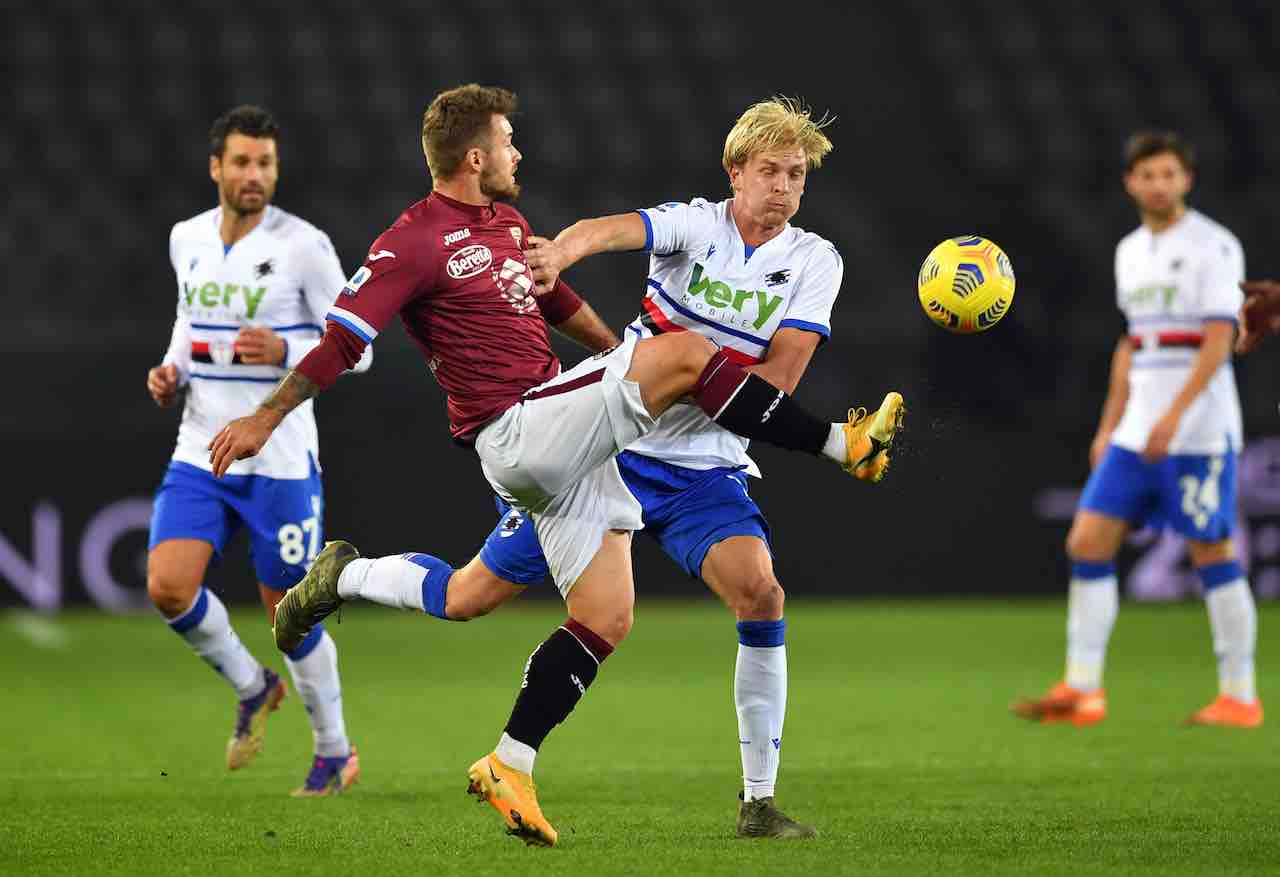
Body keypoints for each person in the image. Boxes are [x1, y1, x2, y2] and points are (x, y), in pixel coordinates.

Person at [207, 84, 904, 846]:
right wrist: (264, 414)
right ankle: (842, 443)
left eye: (797, 174)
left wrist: (615, 355)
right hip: (542, 434)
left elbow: (561, 302)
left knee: (546, 605)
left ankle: (477, 724)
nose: (520, 151)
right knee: (684, 354)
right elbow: (346, 339)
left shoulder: (509, 223)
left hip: (642, 451)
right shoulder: (413, 241)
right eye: (509, 140)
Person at [145, 105, 372, 796]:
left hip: (277, 458)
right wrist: (172, 369)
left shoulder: (304, 245)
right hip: (202, 444)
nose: (254, 175)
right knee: (167, 584)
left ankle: (334, 751)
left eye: (265, 163)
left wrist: (285, 349)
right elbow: (189, 320)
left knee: (288, 614)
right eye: (241, 162)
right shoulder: (186, 237)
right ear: (216, 167)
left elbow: (357, 350)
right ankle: (252, 686)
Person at [1012, 131, 1261, 729]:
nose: (1158, 185)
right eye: (1147, 175)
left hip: (1199, 430)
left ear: (1187, 180)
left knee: (1213, 550)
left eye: (1169, 174)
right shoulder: (1129, 251)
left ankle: (1240, 695)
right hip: (1137, 429)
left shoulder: (1213, 246)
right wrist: (1110, 423)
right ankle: (1083, 689)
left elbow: (1219, 341)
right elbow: (1132, 343)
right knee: (1087, 543)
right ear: (1130, 182)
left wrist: (1173, 418)